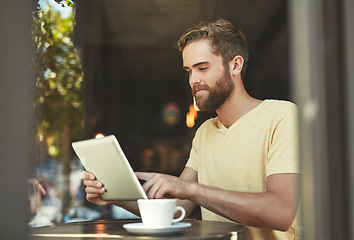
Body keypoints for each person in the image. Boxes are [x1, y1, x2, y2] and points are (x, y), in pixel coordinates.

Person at [81, 19, 300, 240]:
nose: (194, 80)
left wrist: (191, 189)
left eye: (202, 68)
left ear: (235, 65)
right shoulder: (205, 133)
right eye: (189, 71)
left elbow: (280, 212)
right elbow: (177, 209)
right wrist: (112, 195)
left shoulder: (282, 117)